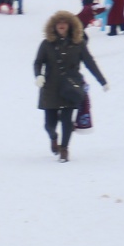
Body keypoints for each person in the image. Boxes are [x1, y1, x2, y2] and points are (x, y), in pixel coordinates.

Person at [34, 11, 107, 162]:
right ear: (53, 26)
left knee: (67, 120)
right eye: (58, 23)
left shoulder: (78, 43)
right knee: (49, 124)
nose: (61, 25)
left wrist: (102, 81)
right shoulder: (46, 44)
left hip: (70, 87)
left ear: (70, 26)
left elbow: (90, 63)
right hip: (50, 87)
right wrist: (39, 76)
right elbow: (38, 62)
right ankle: (54, 138)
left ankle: (64, 148)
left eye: (64, 23)